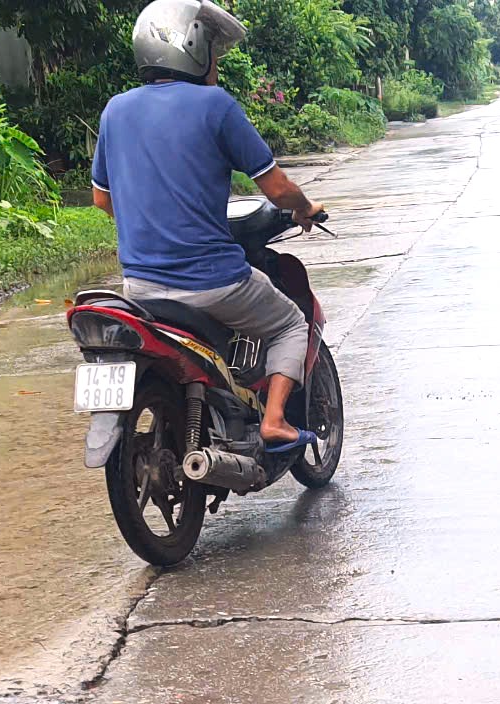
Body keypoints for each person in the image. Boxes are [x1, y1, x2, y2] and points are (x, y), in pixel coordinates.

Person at [91, 0, 326, 447]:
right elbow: (276, 190)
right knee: (291, 324)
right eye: (212, 51)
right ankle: (274, 419)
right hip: (213, 284)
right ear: (194, 47)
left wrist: (153, 220)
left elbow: (102, 198)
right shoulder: (215, 106)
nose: (215, 61)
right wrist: (304, 208)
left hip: (139, 288)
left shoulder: (114, 110)